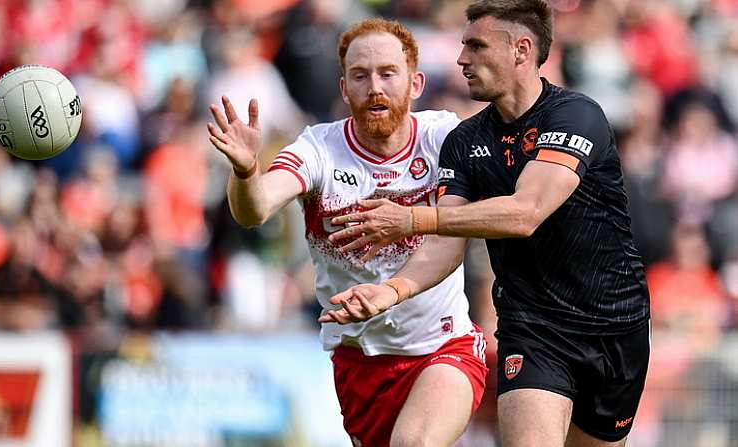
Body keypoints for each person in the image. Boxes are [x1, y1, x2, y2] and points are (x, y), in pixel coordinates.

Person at [320, 2, 651, 447]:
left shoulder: (576, 115)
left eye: (476, 46)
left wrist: (411, 219)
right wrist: (391, 290)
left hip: (615, 326)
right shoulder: (464, 141)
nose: (462, 59)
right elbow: (446, 240)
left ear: (521, 49)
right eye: (462, 46)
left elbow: (525, 212)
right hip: (533, 328)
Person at [207, 18, 488, 447]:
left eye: (387, 73)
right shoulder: (318, 149)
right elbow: (255, 209)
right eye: (360, 75)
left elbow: (456, 234)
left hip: (444, 345)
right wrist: (246, 171)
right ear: (343, 89)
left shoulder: (445, 138)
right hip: (360, 362)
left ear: (415, 84)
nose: (374, 86)